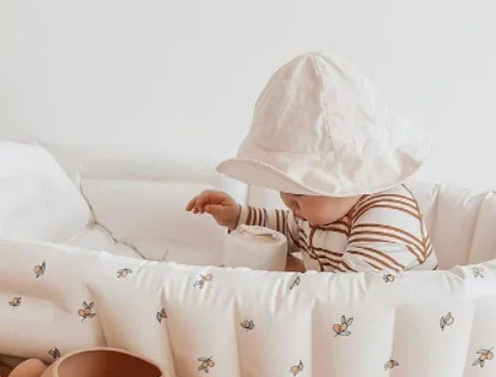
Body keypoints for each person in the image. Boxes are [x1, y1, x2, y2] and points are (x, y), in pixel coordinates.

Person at [187, 52, 437, 273]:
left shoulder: (386, 219)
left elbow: (351, 298)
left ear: (351, 177)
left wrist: (290, 268)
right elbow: (287, 228)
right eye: (284, 187)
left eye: (300, 191)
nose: (288, 201)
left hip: (392, 323)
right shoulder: (318, 212)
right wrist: (238, 217)